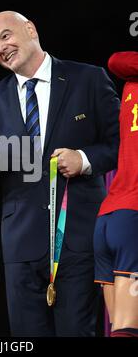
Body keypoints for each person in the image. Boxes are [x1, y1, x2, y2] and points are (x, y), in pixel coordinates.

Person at [0, 11, 120, 336]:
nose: (0, 48)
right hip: (21, 247)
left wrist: (84, 158)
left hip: (78, 240)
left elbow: (123, 144)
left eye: (5, 36)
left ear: (30, 29)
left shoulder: (88, 79)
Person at [94, 51, 138, 337]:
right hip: (132, 220)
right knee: (127, 329)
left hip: (108, 218)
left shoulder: (132, 81)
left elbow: (115, 60)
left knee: (117, 329)